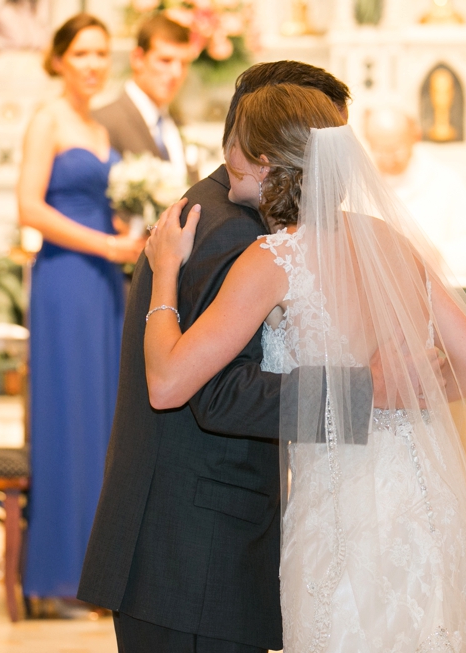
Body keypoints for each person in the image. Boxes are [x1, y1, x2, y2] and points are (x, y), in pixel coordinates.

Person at [144, 83, 466, 652]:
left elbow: (166, 384)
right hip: (422, 502)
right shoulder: (389, 240)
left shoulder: (273, 258)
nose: (224, 158)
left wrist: (164, 271)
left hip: (341, 511)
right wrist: (400, 392)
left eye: (234, 142)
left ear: (264, 162)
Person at [78, 62, 376, 653]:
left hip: (187, 545)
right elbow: (218, 393)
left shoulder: (221, 208)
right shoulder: (230, 232)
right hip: (197, 553)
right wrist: (359, 394)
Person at [16, 13, 144, 610]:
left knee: (101, 417)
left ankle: (97, 572)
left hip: (104, 280)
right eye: (83, 53)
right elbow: (30, 209)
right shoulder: (48, 119)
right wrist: (107, 245)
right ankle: (59, 577)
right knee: (68, 416)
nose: (94, 64)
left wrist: (125, 228)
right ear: (60, 57)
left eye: (102, 54)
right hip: (67, 280)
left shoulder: (96, 125)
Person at [363, 106, 466, 280]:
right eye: (380, 149)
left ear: (415, 137)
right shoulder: (358, 182)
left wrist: (438, 257)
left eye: (396, 148)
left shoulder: (445, 182)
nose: (389, 157)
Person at [93, 14, 196, 183]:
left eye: (184, 63)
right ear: (138, 59)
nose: (176, 73)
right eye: (165, 60)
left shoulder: (178, 124)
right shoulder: (103, 122)